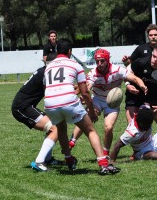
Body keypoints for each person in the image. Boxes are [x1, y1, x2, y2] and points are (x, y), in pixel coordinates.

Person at [44, 39, 120, 175]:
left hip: (49, 102)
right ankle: (103, 164)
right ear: (70, 52)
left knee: (61, 129)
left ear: (56, 51)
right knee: (90, 130)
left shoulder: (49, 66)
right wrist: (91, 111)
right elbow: (85, 92)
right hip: (67, 99)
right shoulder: (75, 64)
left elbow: (46, 86)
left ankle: (69, 159)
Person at [68, 49, 148, 156]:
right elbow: (88, 86)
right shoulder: (93, 73)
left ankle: (105, 153)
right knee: (86, 118)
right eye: (97, 61)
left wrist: (142, 85)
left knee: (108, 127)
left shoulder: (117, 69)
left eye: (102, 61)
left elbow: (133, 78)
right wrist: (83, 96)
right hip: (97, 99)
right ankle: (72, 142)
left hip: (112, 103)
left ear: (107, 60)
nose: (99, 64)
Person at [12, 65, 65, 172]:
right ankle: (39, 162)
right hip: (22, 108)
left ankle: (48, 159)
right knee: (56, 129)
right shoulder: (47, 73)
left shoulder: (44, 70)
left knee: (54, 125)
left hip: (26, 106)